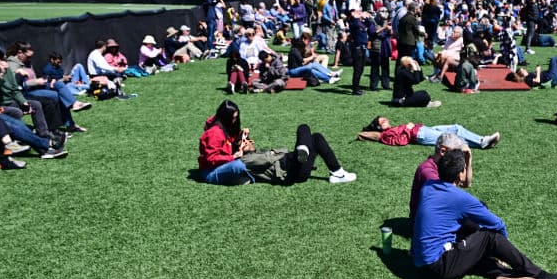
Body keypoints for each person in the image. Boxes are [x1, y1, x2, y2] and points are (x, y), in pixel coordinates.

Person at [412, 149, 557, 279]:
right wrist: (500, 250)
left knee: (472, 236)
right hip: (438, 267)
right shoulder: (460, 199)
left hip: (419, 266)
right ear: (460, 174)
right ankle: (535, 273)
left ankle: (499, 274)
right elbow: (498, 224)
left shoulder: (428, 186)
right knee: (489, 237)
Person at [197, 100, 356, 186]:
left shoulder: (233, 140)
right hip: (291, 171)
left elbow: (230, 143)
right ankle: (302, 150)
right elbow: (267, 158)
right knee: (305, 134)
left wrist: (241, 138)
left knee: (311, 133)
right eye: (233, 118)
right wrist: (236, 154)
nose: (249, 141)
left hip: (292, 163)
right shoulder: (245, 159)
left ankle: (337, 172)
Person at [409, 132, 470, 220]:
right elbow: (445, 197)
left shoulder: (443, 167)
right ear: (443, 151)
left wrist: (468, 159)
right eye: (455, 152)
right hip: (425, 221)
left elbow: (466, 184)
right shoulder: (428, 171)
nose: (458, 157)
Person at [360, 116, 499, 150]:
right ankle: (482, 142)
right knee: (450, 138)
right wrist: (407, 128)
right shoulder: (385, 136)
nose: (386, 120)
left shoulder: (390, 130)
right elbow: (401, 141)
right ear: (379, 127)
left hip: (423, 129)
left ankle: (482, 140)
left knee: (456, 128)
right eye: (383, 121)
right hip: (420, 135)